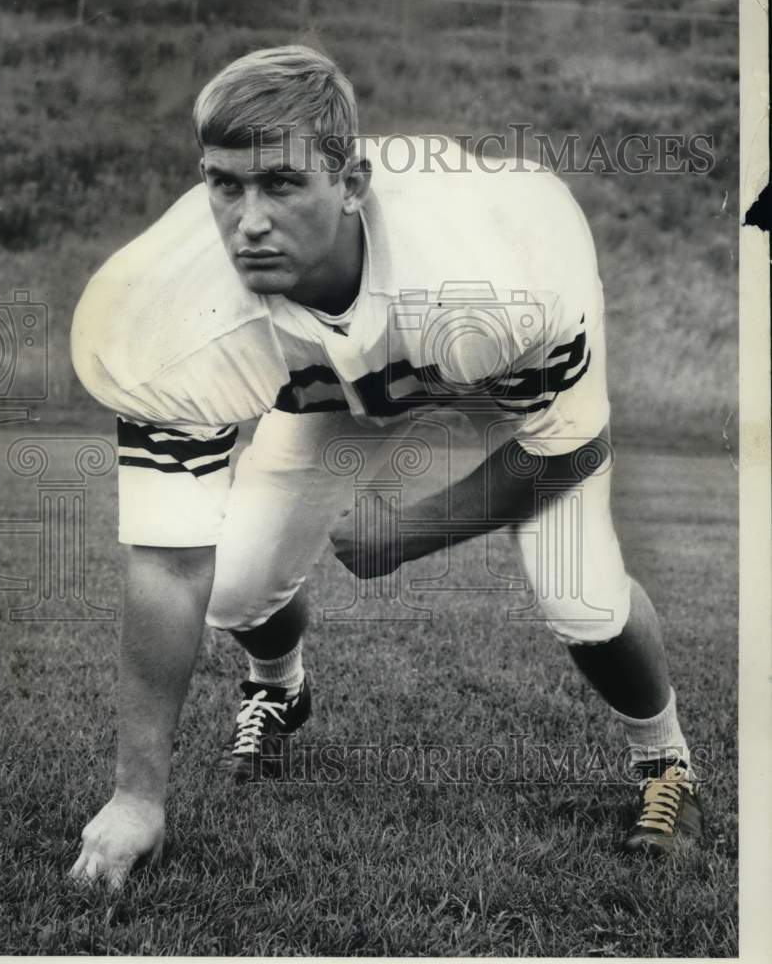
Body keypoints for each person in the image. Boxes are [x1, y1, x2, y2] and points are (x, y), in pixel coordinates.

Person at [69, 45, 702, 888]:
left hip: (493, 354)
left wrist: (412, 530)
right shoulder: (165, 314)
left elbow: (569, 449)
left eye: (283, 184)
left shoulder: (496, 275)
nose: (248, 220)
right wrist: (136, 797)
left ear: (352, 184)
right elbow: (166, 564)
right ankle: (278, 690)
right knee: (231, 586)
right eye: (225, 184)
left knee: (580, 591)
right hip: (333, 386)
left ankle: (667, 762)